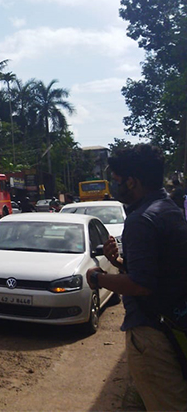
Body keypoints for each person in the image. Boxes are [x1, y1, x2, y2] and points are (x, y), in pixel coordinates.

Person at [86, 144, 187, 410]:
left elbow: (141, 284)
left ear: (131, 181)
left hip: (152, 335)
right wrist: (117, 262)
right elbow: (157, 272)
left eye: (117, 180)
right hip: (172, 322)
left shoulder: (141, 220)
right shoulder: (170, 209)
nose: (115, 186)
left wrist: (97, 278)